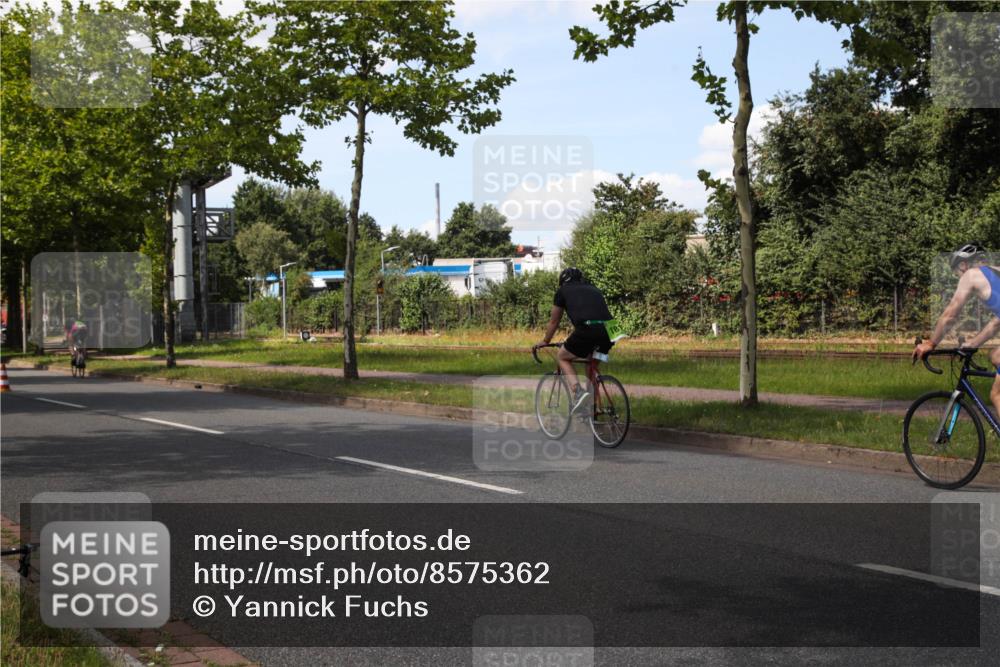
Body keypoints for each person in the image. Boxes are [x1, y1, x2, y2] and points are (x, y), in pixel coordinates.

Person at [913, 243, 1000, 414]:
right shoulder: (996, 272)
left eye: (957, 273)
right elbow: (996, 323)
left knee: (997, 393)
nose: (959, 277)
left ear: (963, 265)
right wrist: (973, 343)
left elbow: (950, 315)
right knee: (995, 356)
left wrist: (931, 343)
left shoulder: (971, 275)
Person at [535, 267, 614, 412]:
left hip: (588, 329)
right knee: (592, 367)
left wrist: (546, 341)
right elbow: (594, 313)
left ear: (562, 281)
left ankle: (578, 392)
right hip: (612, 331)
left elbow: (554, 321)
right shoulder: (593, 288)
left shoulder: (562, 291)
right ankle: (594, 409)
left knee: (562, 357)